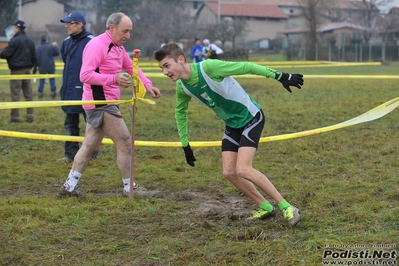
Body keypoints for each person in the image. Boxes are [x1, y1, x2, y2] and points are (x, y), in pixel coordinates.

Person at [154, 42, 304, 226]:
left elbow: (247, 67)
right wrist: (185, 145)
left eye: (167, 66)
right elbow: (180, 113)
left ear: (181, 60)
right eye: (162, 68)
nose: (165, 72)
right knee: (229, 172)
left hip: (251, 118)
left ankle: (287, 207)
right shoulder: (182, 87)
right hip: (232, 125)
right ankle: (265, 206)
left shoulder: (209, 68)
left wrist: (281, 76)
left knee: (243, 169)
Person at [58, 12, 161, 198]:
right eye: (125, 31)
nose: (128, 36)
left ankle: (69, 187)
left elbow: (132, 68)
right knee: (125, 141)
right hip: (101, 103)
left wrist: (147, 84)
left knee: (89, 146)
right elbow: (85, 76)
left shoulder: (118, 47)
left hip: (105, 102)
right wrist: (113, 79)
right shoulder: (98, 45)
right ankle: (130, 189)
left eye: (129, 32)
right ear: (112, 28)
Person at [58, 11, 95, 163]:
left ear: (80, 24)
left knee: (91, 124)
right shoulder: (66, 42)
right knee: (70, 123)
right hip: (69, 90)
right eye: (66, 23)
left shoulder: (92, 42)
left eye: (70, 23)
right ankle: (70, 154)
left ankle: (91, 154)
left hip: (88, 91)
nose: (66, 26)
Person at [0, 20, 36, 123]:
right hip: (27, 70)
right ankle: (30, 116)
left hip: (16, 71)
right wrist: (32, 67)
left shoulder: (14, 41)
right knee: (28, 94)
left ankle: (14, 118)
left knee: (15, 94)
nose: (13, 29)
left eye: (14, 27)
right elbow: (34, 56)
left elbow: (5, 53)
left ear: (17, 28)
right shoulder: (30, 41)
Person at [34, 34, 60, 99]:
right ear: (46, 39)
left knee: (41, 81)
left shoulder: (37, 48)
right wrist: (55, 46)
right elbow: (57, 53)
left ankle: (40, 93)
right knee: (52, 80)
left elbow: (36, 58)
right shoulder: (51, 46)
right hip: (50, 66)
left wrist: (35, 67)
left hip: (41, 67)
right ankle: (53, 93)